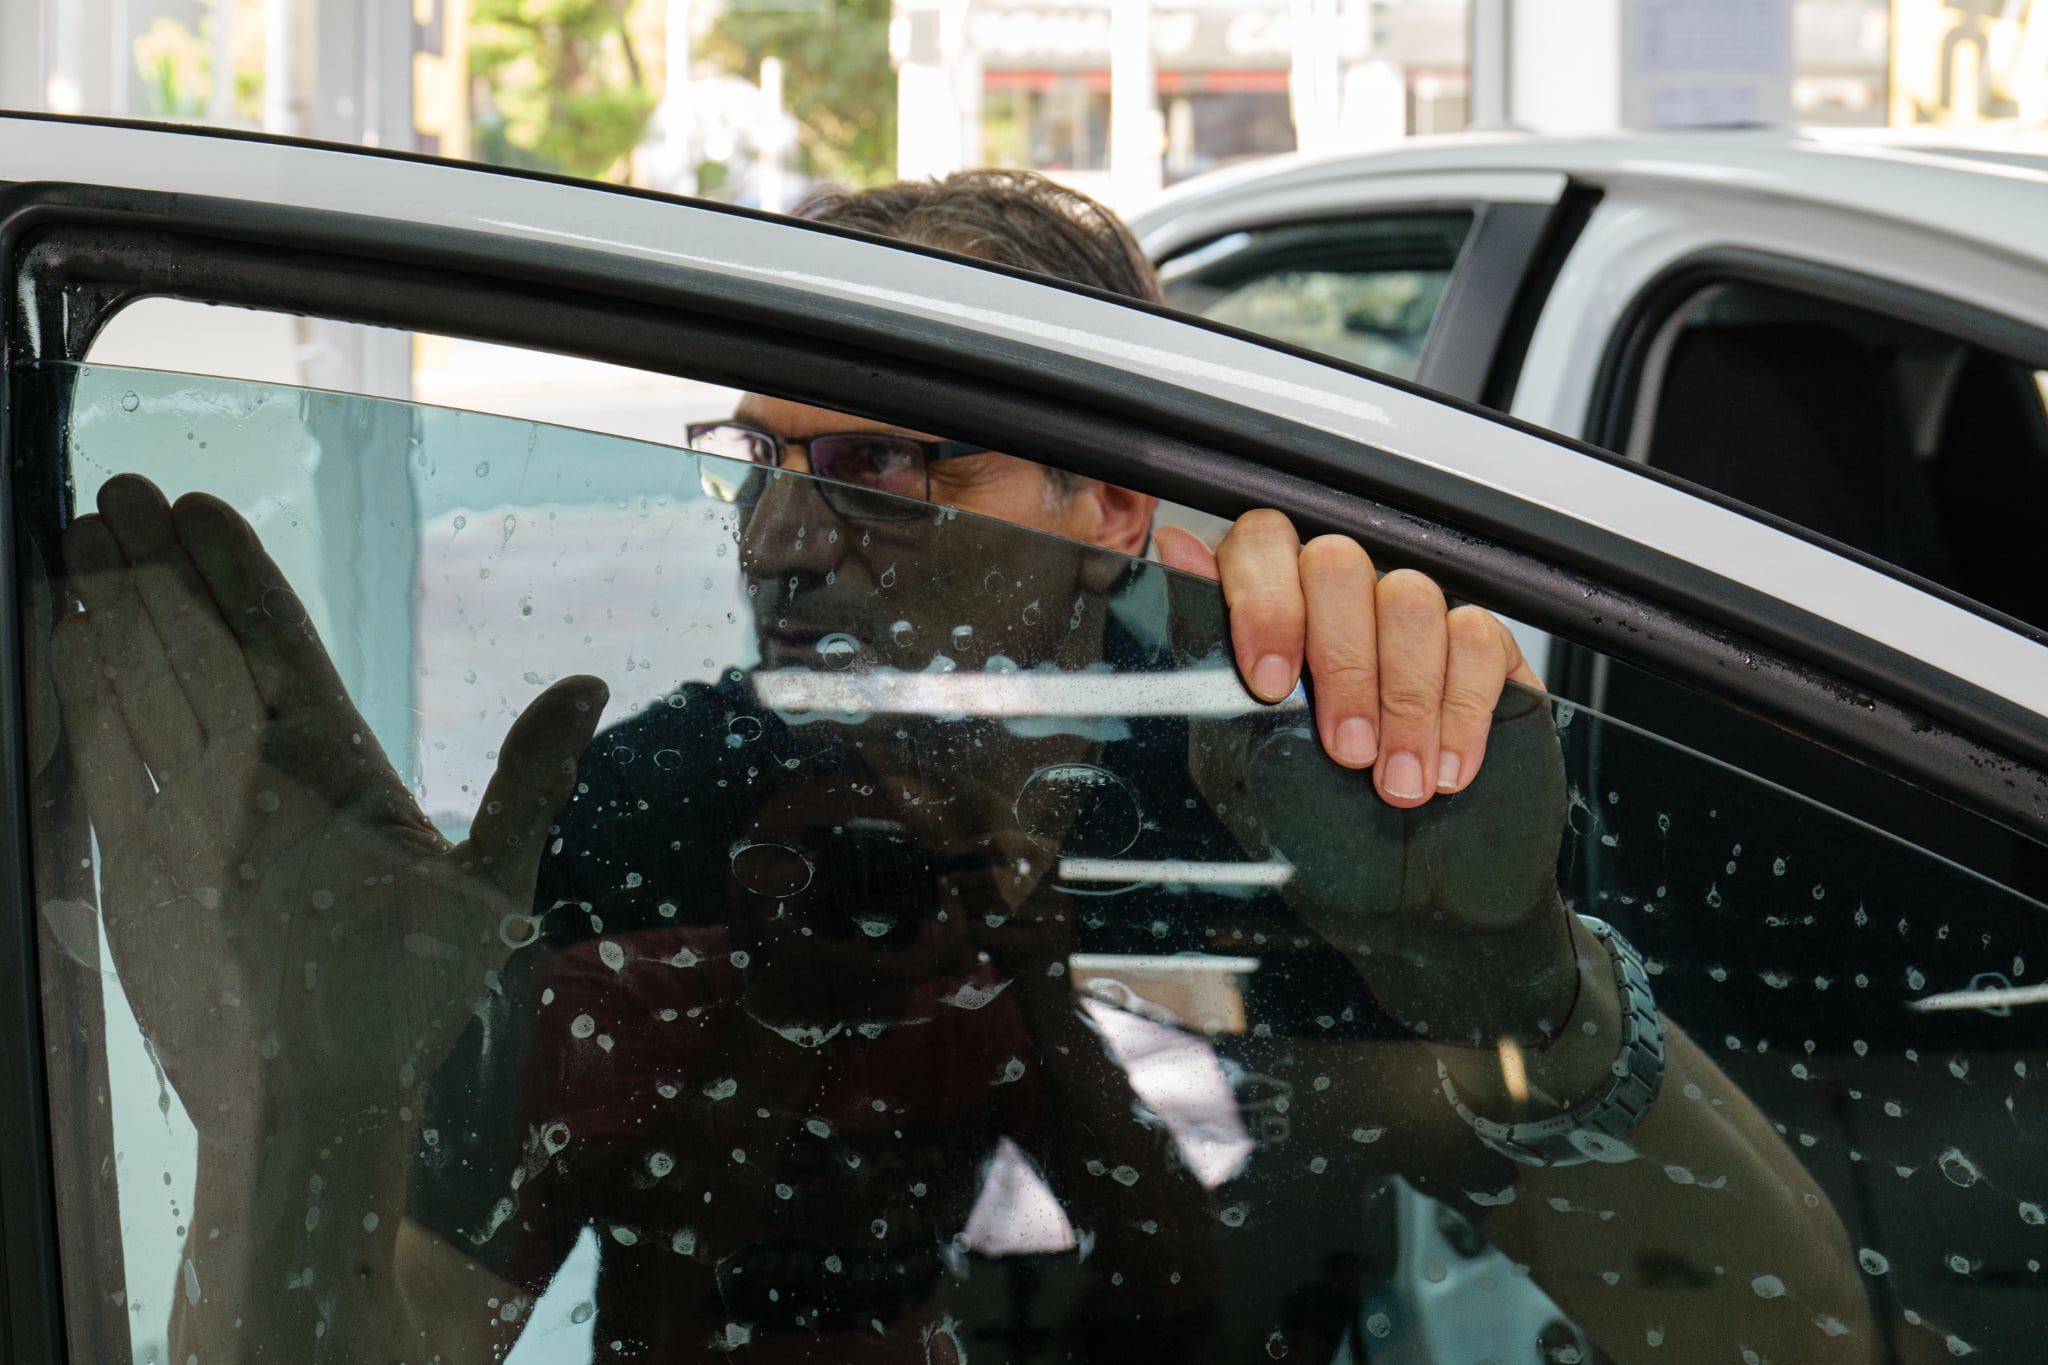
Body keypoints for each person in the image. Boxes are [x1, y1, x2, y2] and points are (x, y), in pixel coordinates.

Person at [48, 171, 1873, 1364]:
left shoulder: (1302, 815)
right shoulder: (654, 808)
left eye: (881, 466)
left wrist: (1514, 985)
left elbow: (1782, 1337)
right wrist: (317, 1087)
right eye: (756, 459)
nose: (780, 540)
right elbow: (398, 1331)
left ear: (1110, 503)